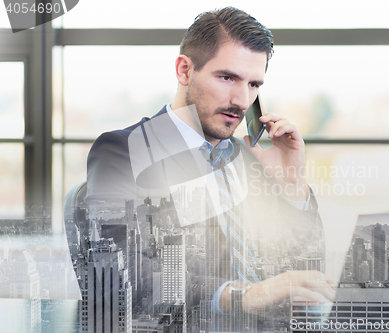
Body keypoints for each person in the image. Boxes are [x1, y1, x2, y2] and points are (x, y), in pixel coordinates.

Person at [84, 6, 335, 332]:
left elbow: (309, 270)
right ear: (184, 71)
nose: (242, 100)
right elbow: (121, 272)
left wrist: (292, 185)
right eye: (227, 77)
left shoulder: (247, 157)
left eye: (253, 84)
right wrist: (243, 295)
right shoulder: (124, 151)